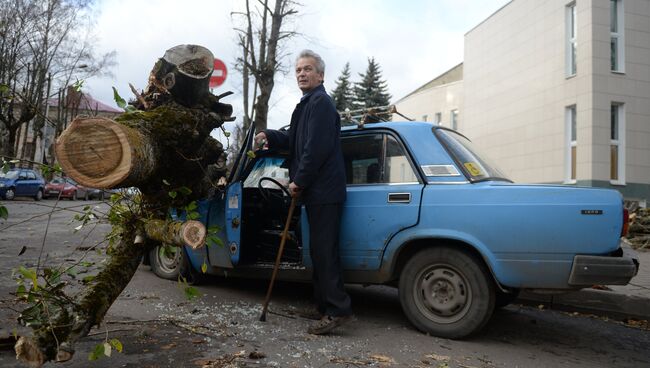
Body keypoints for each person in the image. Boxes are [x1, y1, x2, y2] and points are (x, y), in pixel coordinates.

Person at [254, 49, 352, 335]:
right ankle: (322, 306)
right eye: (298, 70)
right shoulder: (308, 103)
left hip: (324, 191)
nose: (302, 74)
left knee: (325, 251)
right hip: (318, 192)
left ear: (320, 75)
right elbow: (295, 141)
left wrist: (299, 180)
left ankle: (337, 310)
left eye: (308, 69)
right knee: (317, 251)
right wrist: (269, 135)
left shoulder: (320, 103)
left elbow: (315, 150)